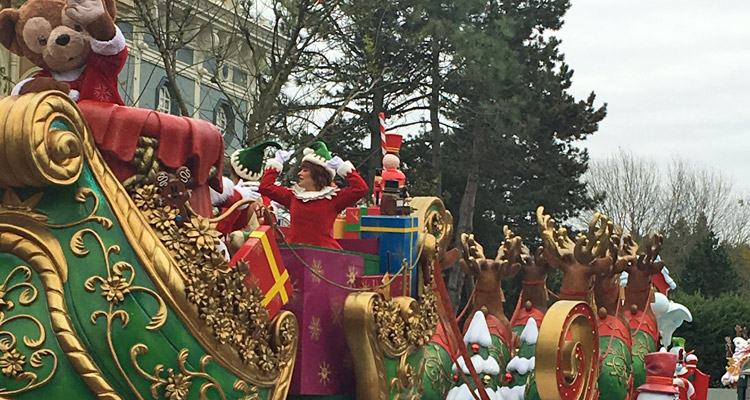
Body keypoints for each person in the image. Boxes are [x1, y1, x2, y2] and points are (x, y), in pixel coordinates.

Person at [258, 141, 367, 250]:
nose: (299, 173)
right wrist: (276, 164)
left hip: (325, 255)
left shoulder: (333, 198)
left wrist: (343, 168)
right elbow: (265, 187)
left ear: (317, 174)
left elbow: (361, 189)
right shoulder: (293, 196)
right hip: (295, 254)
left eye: (305, 170)